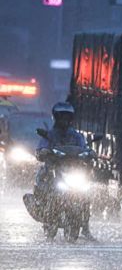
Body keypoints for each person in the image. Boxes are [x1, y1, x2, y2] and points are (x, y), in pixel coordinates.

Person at [33, 102, 96, 240]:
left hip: (73, 170)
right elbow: (40, 150)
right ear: (56, 117)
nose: (64, 120)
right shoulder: (49, 135)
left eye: (67, 117)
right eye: (61, 117)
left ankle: (85, 227)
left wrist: (90, 152)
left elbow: (84, 147)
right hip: (54, 169)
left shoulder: (77, 136)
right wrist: (43, 151)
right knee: (45, 181)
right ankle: (47, 214)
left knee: (86, 194)